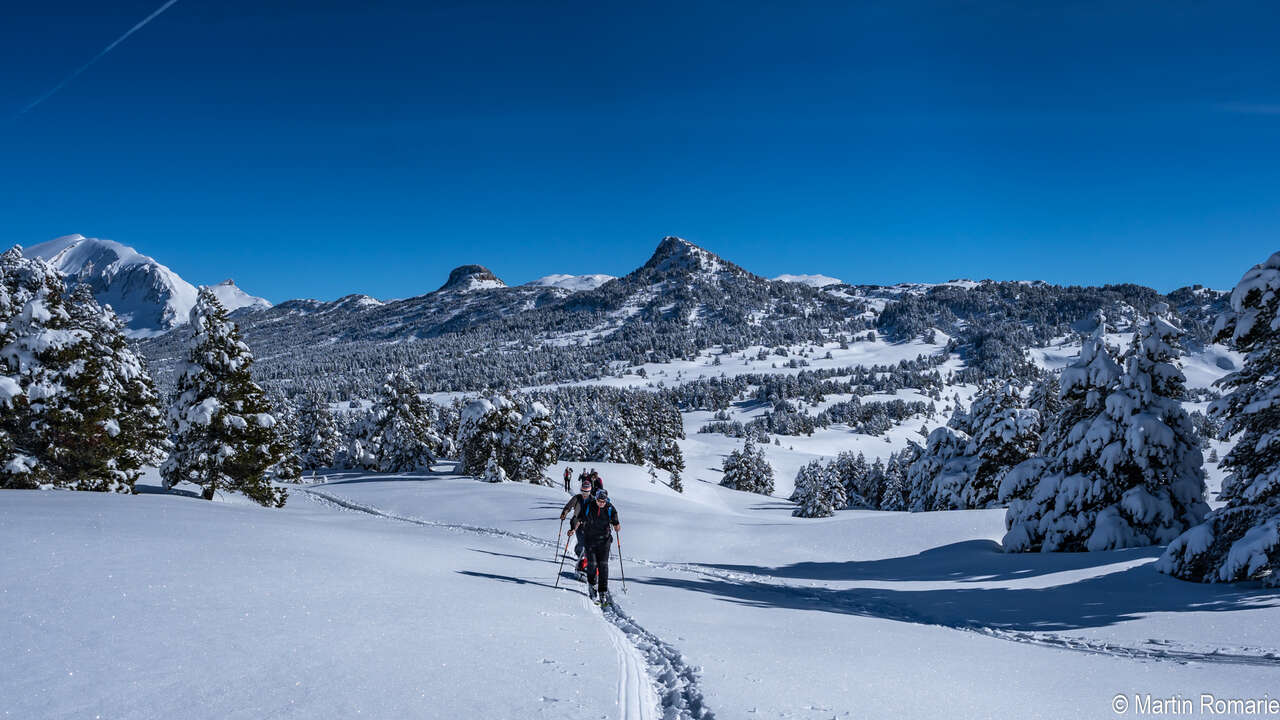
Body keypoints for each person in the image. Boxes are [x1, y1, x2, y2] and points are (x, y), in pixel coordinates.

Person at [570, 488, 620, 604]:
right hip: (590, 540)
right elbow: (579, 519)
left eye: (603, 501)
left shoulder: (610, 508)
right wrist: (573, 529)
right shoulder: (589, 506)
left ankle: (602, 591)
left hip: (604, 541)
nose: (601, 503)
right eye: (599, 501)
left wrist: (616, 525)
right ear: (596, 499)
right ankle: (592, 586)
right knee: (592, 564)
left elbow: (617, 523)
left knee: (603, 566)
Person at [559, 478, 594, 576]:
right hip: (577, 522)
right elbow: (569, 506)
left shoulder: (593, 500)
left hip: (588, 524)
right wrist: (564, 513)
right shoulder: (577, 498)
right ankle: (579, 553)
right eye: (583, 491)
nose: (584, 493)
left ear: (590, 491)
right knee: (582, 543)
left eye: (586, 491)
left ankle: (584, 562)